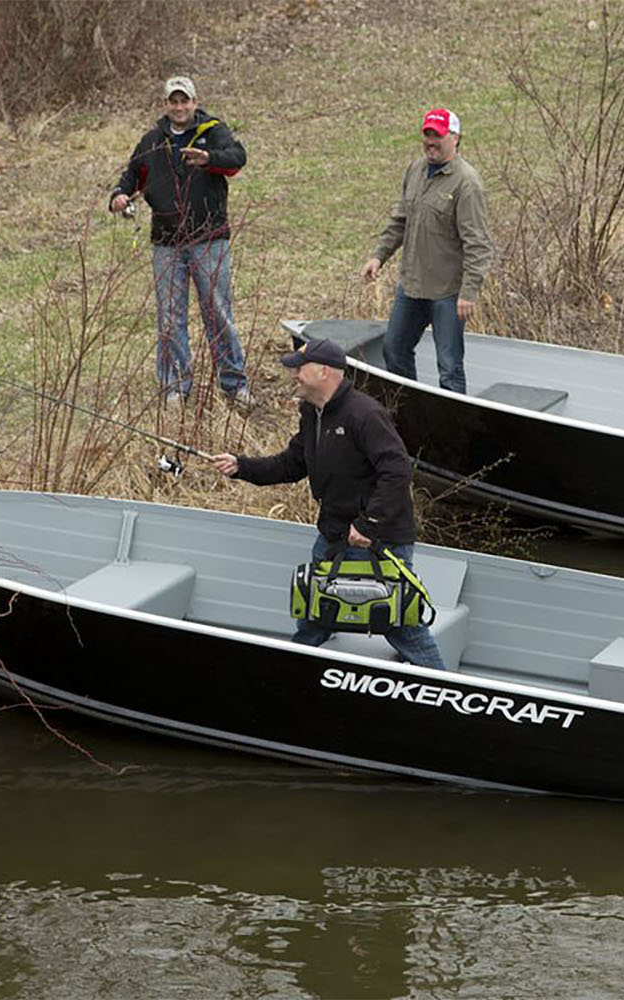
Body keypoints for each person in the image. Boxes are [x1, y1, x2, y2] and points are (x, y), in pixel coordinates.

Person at [210, 338, 445, 669]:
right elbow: (292, 464)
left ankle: (440, 686)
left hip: (379, 538)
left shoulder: (365, 414)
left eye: (300, 368)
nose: (294, 374)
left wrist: (369, 523)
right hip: (333, 535)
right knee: (314, 615)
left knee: (402, 626)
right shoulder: (312, 413)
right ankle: (294, 675)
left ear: (324, 372)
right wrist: (242, 467)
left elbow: (397, 471)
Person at [109, 74, 251, 407]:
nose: (179, 107)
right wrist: (119, 196)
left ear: (194, 102)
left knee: (218, 312)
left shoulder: (213, 132)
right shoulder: (152, 141)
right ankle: (175, 388)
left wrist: (209, 160)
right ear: (165, 105)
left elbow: (237, 158)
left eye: (184, 100)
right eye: (173, 101)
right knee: (170, 319)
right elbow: (130, 177)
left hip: (209, 239)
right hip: (166, 243)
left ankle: (234, 385)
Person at [361, 107, 493, 394]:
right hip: (411, 286)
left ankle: (454, 430)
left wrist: (469, 292)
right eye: (427, 135)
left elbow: (479, 245)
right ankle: (411, 413)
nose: (431, 142)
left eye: (438, 136)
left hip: (448, 293)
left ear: (455, 138)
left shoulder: (466, 183)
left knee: (449, 368)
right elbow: (400, 220)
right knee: (394, 351)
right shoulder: (416, 170)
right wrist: (378, 255)